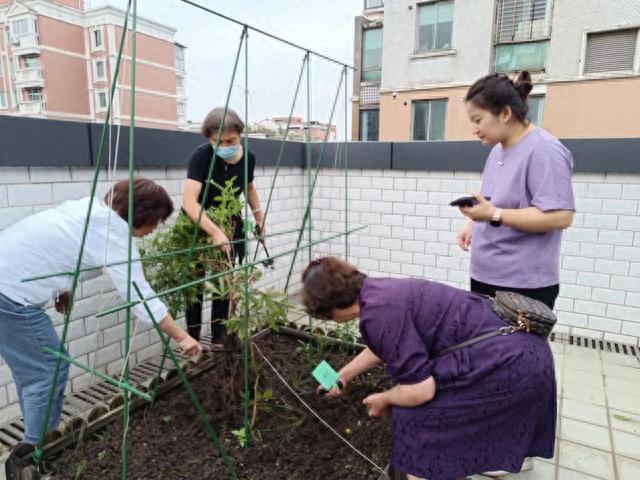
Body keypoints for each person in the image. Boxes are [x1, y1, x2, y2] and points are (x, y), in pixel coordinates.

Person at [0, 178, 202, 480]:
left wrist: (63, 285)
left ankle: (35, 447)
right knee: (48, 371)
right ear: (143, 215)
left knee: (34, 372)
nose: (153, 231)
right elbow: (140, 295)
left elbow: (62, 247)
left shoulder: (91, 209)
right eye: (156, 223)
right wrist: (182, 336)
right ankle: (35, 456)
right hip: (9, 296)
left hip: (7, 285)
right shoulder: (113, 234)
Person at [301, 256, 556, 480]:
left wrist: (384, 399)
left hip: (510, 366)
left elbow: (421, 391)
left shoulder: (377, 313)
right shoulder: (378, 291)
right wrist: (342, 376)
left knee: (419, 432)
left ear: (331, 308)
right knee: (426, 422)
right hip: (522, 349)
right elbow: (387, 342)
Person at [457, 71, 575, 309]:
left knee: (518, 348)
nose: (475, 129)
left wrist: (493, 215)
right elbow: (497, 202)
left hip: (524, 285)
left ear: (505, 114)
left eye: (478, 120)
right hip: (485, 276)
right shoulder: (497, 150)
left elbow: (561, 216)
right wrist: (474, 222)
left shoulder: (545, 150)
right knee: (485, 346)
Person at [182, 107, 265, 346]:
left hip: (230, 222)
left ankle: (219, 339)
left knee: (224, 284)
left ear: (240, 135)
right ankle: (194, 342)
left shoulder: (249, 158)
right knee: (194, 288)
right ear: (209, 138)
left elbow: (248, 188)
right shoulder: (201, 156)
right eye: (218, 141)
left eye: (231, 140)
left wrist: (259, 218)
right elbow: (189, 201)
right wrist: (215, 232)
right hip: (198, 224)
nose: (225, 145)